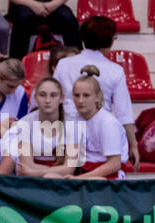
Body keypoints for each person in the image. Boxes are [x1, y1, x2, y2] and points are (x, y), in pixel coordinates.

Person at [52, 16, 140, 169]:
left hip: (69, 135)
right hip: (100, 138)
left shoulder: (63, 65)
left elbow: (52, 103)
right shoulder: (115, 70)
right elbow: (123, 112)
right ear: (110, 41)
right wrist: (134, 145)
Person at [0, 77, 79, 178]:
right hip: (32, 181)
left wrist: (33, 172)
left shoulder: (72, 125)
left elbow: (69, 169)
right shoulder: (25, 123)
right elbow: (27, 164)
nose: (48, 100)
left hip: (59, 179)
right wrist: (48, 172)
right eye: (42, 95)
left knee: (50, 177)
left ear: (61, 98)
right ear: (35, 98)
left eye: (53, 95)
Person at [68, 67, 128, 180]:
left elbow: (114, 164)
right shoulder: (75, 121)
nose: (80, 101)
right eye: (76, 95)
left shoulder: (107, 123)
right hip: (84, 171)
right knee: (50, 177)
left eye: (86, 95)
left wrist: (80, 179)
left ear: (97, 97)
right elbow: (72, 160)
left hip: (106, 175)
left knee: (97, 181)